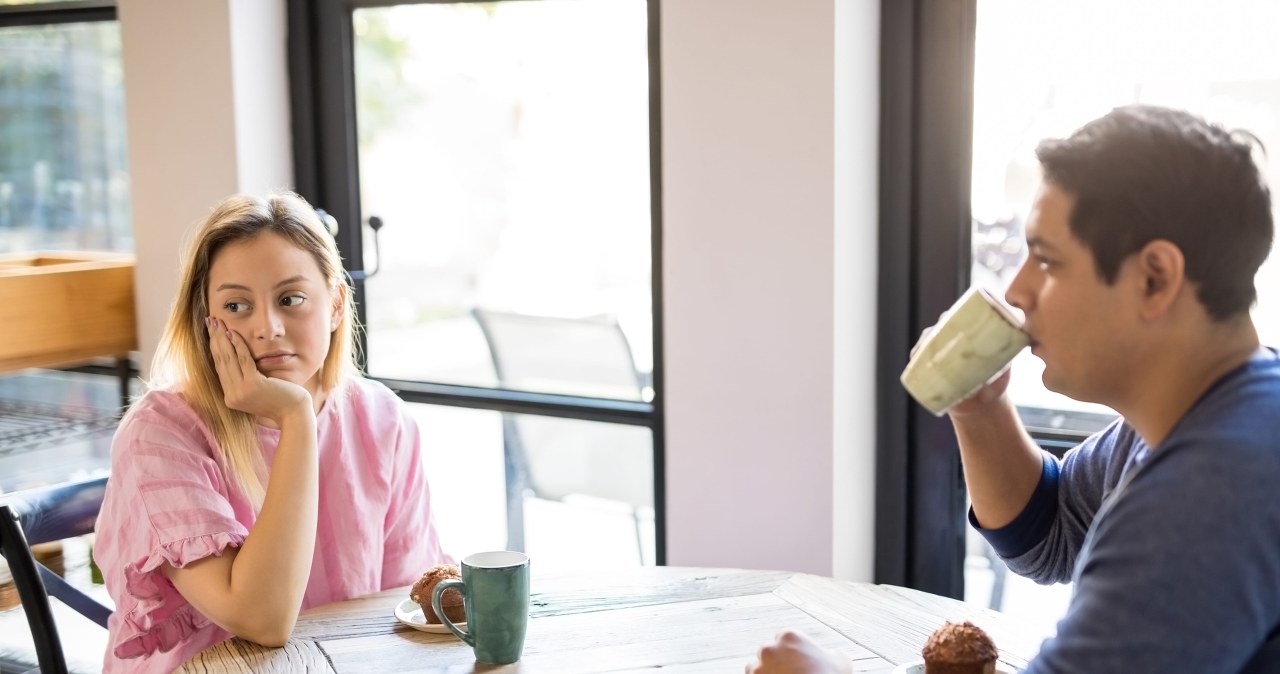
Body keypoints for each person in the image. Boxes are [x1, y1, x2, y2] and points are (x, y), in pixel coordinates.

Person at [749, 105, 1280, 673]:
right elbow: (1051, 532)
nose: (1017, 291)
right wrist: (981, 409)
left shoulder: (1215, 486)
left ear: (1155, 278)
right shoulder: (1216, 416)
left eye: (1046, 261)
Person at [94, 192, 452, 673]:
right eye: (236, 305)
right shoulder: (159, 434)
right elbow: (262, 619)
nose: (268, 328)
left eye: (290, 299)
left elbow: (405, 605)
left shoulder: (382, 419)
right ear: (207, 320)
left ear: (336, 304)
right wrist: (296, 418)